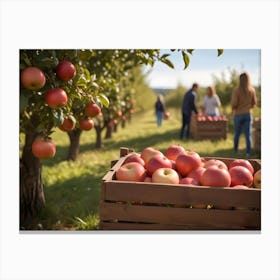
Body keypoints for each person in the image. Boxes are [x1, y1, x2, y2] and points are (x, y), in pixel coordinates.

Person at [231, 72, 257, 157]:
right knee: (247, 134)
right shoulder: (252, 90)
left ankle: (235, 150)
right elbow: (254, 103)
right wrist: (248, 107)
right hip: (248, 114)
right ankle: (248, 153)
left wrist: (234, 109)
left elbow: (234, 103)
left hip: (238, 114)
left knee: (237, 133)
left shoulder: (236, 90)